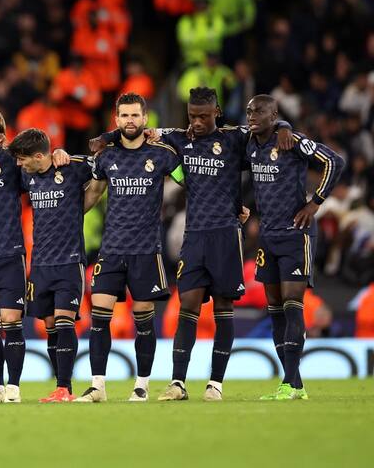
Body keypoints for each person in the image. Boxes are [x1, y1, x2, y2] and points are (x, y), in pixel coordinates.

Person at [92, 86, 294, 401]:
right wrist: (107, 138)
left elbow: (265, 125)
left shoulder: (234, 138)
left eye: (203, 116)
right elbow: (134, 129)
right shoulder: (178, 138)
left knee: (224, 307)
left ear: (217, 113)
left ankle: (215, 384)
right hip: (194, 235)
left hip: (226, 234)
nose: (196, 122)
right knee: (187, 304)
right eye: (192, 116)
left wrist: (285, 127)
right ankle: (178, 383)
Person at [0, 108, 70, 403]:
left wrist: (58, 153)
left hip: (10, 256)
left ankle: (14, 388)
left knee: (11, 319)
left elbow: (40, 165)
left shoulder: (12, 163)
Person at [77, 93, 184, 403]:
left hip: (146, 250)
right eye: (124, 116)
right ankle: (97, 386)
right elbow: (93, 193)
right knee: (99, 316)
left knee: (143, 319)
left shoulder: (163, 155)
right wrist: (67, 216)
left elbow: (187, 180)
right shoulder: (106, 156)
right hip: (111, 249)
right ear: (116, 120)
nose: (129, 121)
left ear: (145, 118)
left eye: (135, 115)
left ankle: (142, 385)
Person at [245, 94, 344, 400]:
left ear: (273, 115)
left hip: (295, 233)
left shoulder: (291, 141)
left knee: (291, 303)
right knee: (274, 307)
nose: (251, 116)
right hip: (268, 235)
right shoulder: (248, 143)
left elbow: (334, 161)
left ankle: (290, 382)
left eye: (258, 111)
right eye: (249, 111)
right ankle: (293, 382)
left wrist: (315, 203)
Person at [8, 128, 94, 403]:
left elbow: (103, 167)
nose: (19, 164)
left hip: (69, 260)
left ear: (37, 156)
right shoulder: (26, 175)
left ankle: (64, 388)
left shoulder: (73, 168)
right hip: (41, 263)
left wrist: (88, 200)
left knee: (64, 320)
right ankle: (61, 388)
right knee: (49, 325)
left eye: (22, 159)